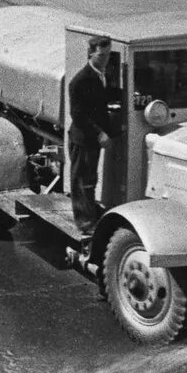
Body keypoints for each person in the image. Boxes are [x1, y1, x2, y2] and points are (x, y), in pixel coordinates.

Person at [67, 35, 115, 235]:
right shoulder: (79, 81)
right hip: (83, 139)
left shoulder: (102, 75)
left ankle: (90, 215)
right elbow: (78, 115)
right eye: (101, 55)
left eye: (108, 55)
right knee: (81, 181)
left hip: (92, 139)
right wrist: (100, 133)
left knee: (90, 179)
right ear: (90, 54)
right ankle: (85, 223)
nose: (105, 60)